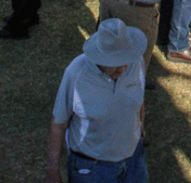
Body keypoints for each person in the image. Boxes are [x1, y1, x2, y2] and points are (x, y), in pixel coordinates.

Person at [45, 18, 149, 183]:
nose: (122, 69)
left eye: (125, 61)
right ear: (100, 57)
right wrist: (52, 171)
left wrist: (140, 132)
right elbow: (58, 124)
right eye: (115, 63)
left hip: (134, 160)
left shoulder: (136, 61)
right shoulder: (76, 73)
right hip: (92, 168)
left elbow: (139, 100)